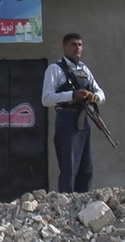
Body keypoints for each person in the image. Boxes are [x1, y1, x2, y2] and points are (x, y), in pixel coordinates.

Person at [41, 32, 106, 193]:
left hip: (84, 120)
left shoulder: (84, 69)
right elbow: (46, 99)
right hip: (67, 119)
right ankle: (66, 204)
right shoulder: (55, 69)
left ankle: (83, 202)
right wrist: (72, 95)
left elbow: (101, 93)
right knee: (69, 168)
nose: (77, 48)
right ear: (64, 47)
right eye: (73, 44)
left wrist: (94, 97)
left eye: (80, 45)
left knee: (86, 167)